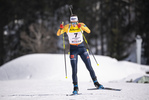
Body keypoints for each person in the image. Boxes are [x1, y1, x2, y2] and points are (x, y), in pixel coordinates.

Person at [57, 14, 103, 94]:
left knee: (89, 67)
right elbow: (58, 33)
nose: (74, 24)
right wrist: (61, 28)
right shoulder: (67, 27)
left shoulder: (81, 25)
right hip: (73, 49)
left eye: (75, 22)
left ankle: (96, 83)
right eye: (72, 23)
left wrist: (81, 26)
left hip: (82, 48)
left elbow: (88, 31)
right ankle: (75, 88)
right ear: (70, 22)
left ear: (77, 21)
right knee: (74, 70)